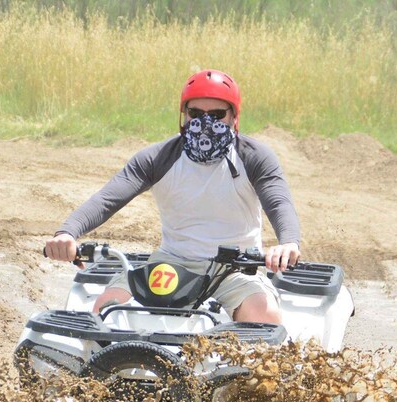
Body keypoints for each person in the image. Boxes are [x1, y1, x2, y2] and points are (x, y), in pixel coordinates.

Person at [45, 69, 301, 324]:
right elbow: (107, 199)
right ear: (184, 116)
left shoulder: (255, 156)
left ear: (234, 117)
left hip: (237, 269)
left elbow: (279, 202)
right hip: (171, 263)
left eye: (217, 115)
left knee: (263, 316)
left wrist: (289, 242)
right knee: (106, 310)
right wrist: (67, 232)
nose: (205, 123)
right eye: (196, 114)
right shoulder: (158, 158)